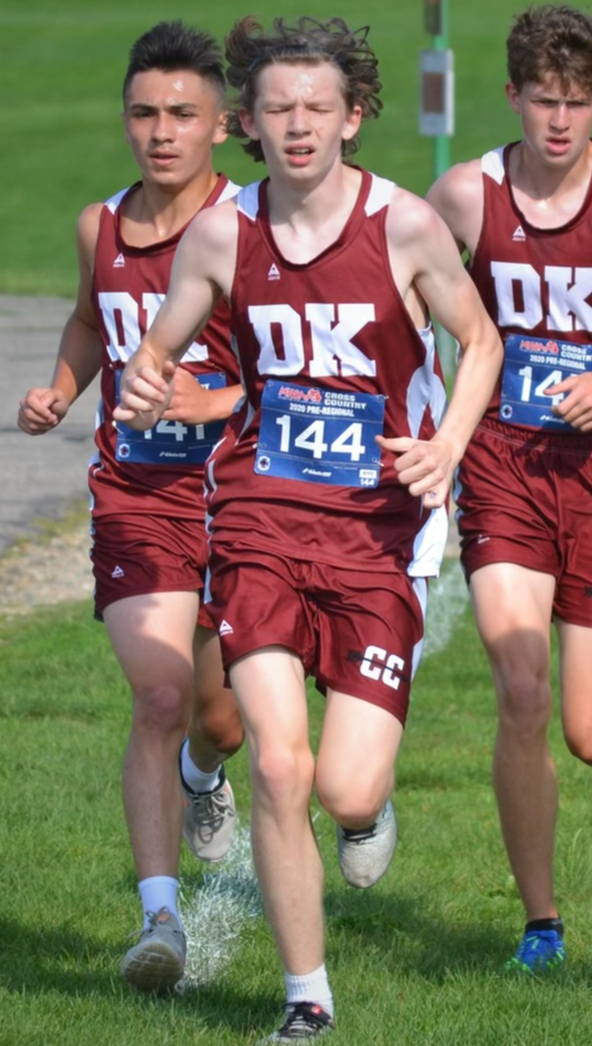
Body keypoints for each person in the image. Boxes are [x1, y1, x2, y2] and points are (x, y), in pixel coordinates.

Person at [114, 15, 503, 1043]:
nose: (295, 127)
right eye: (277, 108)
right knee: (279, 767)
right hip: (259, 518)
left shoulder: (406, 225)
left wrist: (450, 443)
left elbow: (479, 341)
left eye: (316, 109)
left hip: (380, 528)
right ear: (248, 119)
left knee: (341, 782)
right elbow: (161, 352)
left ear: (352, 116)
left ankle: (368, 808)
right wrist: (150, 384)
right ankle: (305, 994)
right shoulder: (219, 232)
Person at [427, 3, 592, 973]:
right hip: (504, 467)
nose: (558, 122)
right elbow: (403, 287)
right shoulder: (463, 195)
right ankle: (540, 921)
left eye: (576, 103)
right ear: (512, 97)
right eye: (542, 101)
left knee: (587, 730)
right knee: (519, 684)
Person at [17, 21, 245, 993]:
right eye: (145, 113)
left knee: (221, 719)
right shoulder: (97, 225)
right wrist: (64, 386)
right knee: (157, 695)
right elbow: (87, 314)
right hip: (137, 495)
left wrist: (215, 400)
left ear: (222, 126)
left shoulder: (255, 227)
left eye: (182, 115)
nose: (161, 132)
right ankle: (160, 917)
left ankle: (205, 773)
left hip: (245, 499)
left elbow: (313, 371)